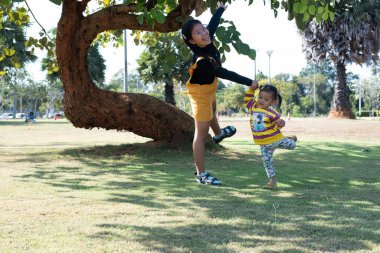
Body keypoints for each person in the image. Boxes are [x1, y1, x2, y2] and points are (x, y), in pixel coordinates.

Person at [181, 1, 258, 185]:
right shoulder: (202, 60)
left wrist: (221, 8)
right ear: (192, 41)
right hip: (199, 94)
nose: (204, 33)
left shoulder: (206, 39)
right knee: (200, 133)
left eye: (203, 29)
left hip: (210, 86)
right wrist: (250, 82)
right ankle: (201, 175)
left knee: (213, 110)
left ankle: (218, 134)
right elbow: (226, 73)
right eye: (197, 33)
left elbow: (212, 25)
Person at [244, 84, 297, 189]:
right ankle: (272, 181)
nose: (262, 101)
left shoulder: (273, 113)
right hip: (263, 143)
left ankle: (291, 140)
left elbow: (279, 124)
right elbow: (247, 99)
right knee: (267, 161)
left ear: (272, 102)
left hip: (275, 139)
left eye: (266, 99)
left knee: (292, 146)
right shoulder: (252, 107)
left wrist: (281, 123)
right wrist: (251, 89)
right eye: (260, 97)